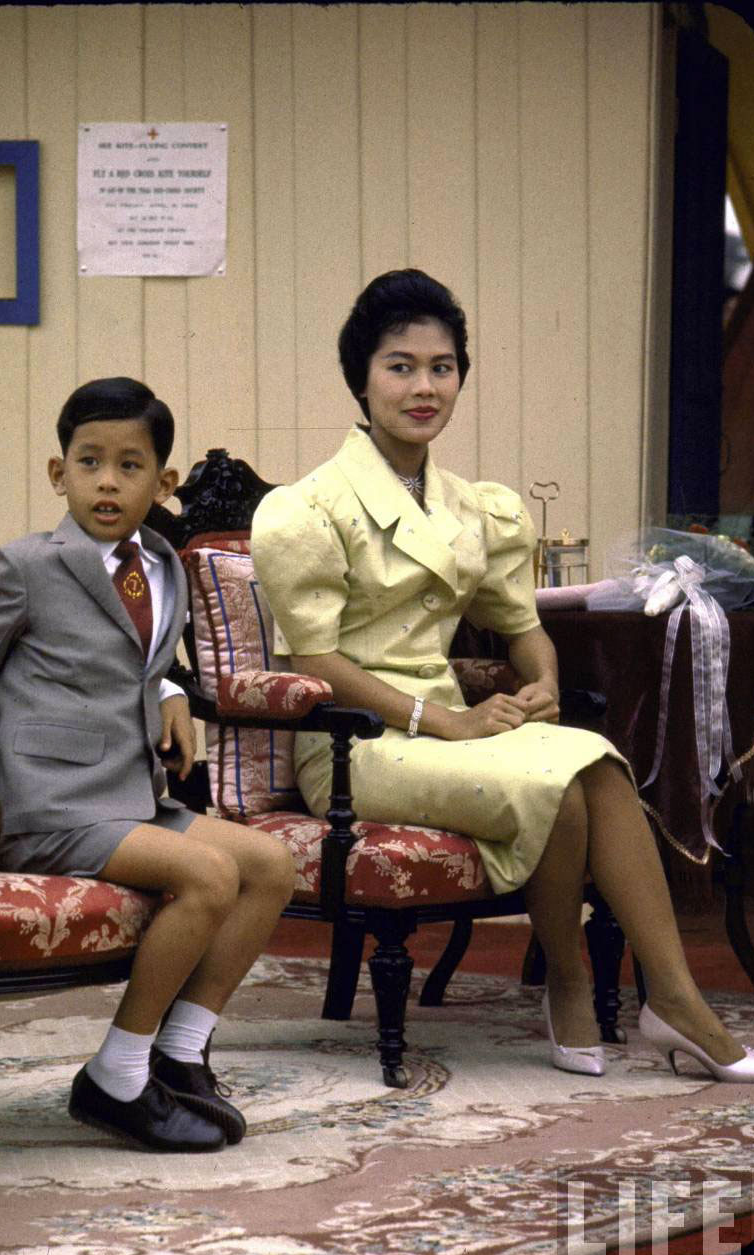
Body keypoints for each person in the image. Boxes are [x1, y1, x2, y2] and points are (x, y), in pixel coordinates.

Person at [251, 269, 754, 1082]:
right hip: (356, 745)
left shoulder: (472, 507)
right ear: (362, 377)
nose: (424, 386)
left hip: (452, 729)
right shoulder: (306, 508)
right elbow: (315, 662)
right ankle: (581, 981)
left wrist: (542, 683)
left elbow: (523, 626)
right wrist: (439, 720)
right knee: (566, 775)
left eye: (442, 367)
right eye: (400, 365)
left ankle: (663, 996)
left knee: (591, 762)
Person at [0, 377, 297, 1151]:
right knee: (208, 874)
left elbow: (127, 649)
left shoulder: (163, 562)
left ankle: (181, 1049)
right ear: (58, 473)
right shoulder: (26, 565)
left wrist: (165, 687)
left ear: (162, 483)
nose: (107, 480)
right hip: (52, 810)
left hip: (132, 797)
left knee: (269, 865)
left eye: (130, 466)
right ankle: (116, 1076)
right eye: (88, 461)